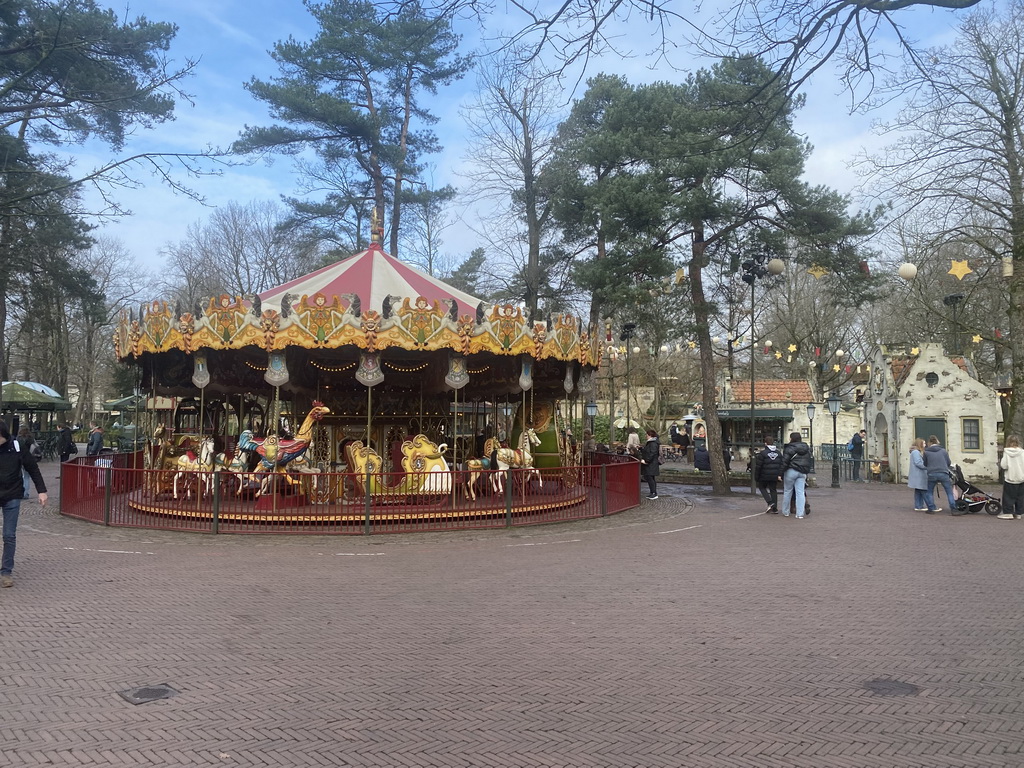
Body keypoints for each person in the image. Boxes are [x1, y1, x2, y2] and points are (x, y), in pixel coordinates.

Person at [0, 419, 48, 587]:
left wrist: (42, 491)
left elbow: (33, 468)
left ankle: (6, 572)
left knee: (9, 535)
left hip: (12, 494)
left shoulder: (18, 447)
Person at [923, 434, 961, 515]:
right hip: (943, 473)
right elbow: (948, 462)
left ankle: (931, 508)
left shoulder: (926, 452)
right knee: (949, 492)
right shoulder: (943, 451)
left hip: (932, 474)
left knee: (929, 491)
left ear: (929, 442)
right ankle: (953, 509)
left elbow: (925, 464)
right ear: (937, 441)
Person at [781, 431, 812, 519]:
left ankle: (786, 511)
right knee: (800, 492)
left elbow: (784, 462)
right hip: (802, 472)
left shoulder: (789, 448)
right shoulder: (806, 448)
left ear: (791, 439)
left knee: (788, 491)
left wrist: (780, 473)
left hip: (791, 470)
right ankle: (799, 513)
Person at [753, 434, 784, 514]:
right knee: (773, 489)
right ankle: (775, 508)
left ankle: (770, 502)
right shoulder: (778, 453)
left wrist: (756, 476)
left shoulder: (763, 453)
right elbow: (781, 465)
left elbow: (758, 466)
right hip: (775, 474)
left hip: (764, 475)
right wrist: (780, 474)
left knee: (762, 487)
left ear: (765, 443)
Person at [998, 435, 1024, 520]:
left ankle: (1008, 512)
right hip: (1021, 477)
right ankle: (1019, 513)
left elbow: (1004, 465)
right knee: (1020, 497)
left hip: (1010, 477)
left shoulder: (1006, 452)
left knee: (1008, 496)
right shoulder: (1022, 452)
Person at [16, 426, 41, 499]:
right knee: (27, 477)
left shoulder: (19, 439)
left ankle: (22, 492)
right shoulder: (31, 439)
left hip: (20, 459)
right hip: (30, 459)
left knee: (22, 476)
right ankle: (26, 493)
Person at [907, 438, 931, 512]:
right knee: (923, 490)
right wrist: (927, 467)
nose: (925, 445)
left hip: (917, 475)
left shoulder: (915, 452)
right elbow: (918, 463)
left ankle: (918, 506)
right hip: (919, 475)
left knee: (918, 490)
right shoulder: (916, 452)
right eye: (923, 443)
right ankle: (931, 506)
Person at [639, 428, 661, 500]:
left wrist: (647, 461)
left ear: (650, 435)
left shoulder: (653, 443)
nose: (646, 436)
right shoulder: (652, 443)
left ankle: (654, 493)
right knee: (651, 478)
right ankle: (653, 492)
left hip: (651, 464)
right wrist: (641, 449)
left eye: (647, 435)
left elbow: (652, 453)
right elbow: (649, 452)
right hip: (651, 464)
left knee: (650, 478)